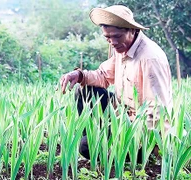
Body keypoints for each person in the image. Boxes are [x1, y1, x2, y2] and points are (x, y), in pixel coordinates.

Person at [60, 5, 173, 160]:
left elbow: (158, 110)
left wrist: (142, 144)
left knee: (86, 147)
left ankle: (121, 152)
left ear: (131, 31)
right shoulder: (122, 48)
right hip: (122, 116)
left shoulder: (150, 59)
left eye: (117, 36)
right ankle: (97, 137)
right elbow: (103, 76)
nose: (112, 42)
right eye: (108, 38)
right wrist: (79, 75)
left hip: (140, 131)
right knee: (85, 91)